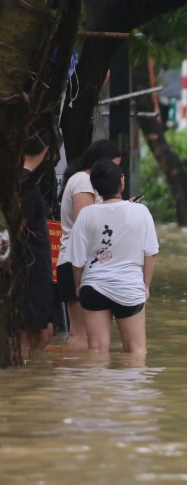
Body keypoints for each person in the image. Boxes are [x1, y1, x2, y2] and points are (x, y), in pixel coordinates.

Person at [61, 160, 159, 356]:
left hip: (93, 286)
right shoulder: (141, 212)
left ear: (96, 187)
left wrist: (80, 285)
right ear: (122, 183)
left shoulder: (86, 215)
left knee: (97, 350)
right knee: (136, 350)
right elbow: (151, 253)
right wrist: (145, 285)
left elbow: (77, 260)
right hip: (129, 287)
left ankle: (99, 387)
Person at [57, 138, 122, 350]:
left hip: (82, 262)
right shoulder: (84, 182)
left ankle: (76, 379)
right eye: (114, 165)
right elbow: (84, 224)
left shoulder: (82, 179)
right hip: (76, 262)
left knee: (85, 334)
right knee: (82, 335)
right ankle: (73, 380)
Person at [19, 136, 55, 356]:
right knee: (31, 331)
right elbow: (18, 227)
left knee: (44, 331)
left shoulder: (26, 182)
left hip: (38, 267)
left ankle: (29, 375)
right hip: (30, 268)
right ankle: (21, 374)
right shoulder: (26, 184)